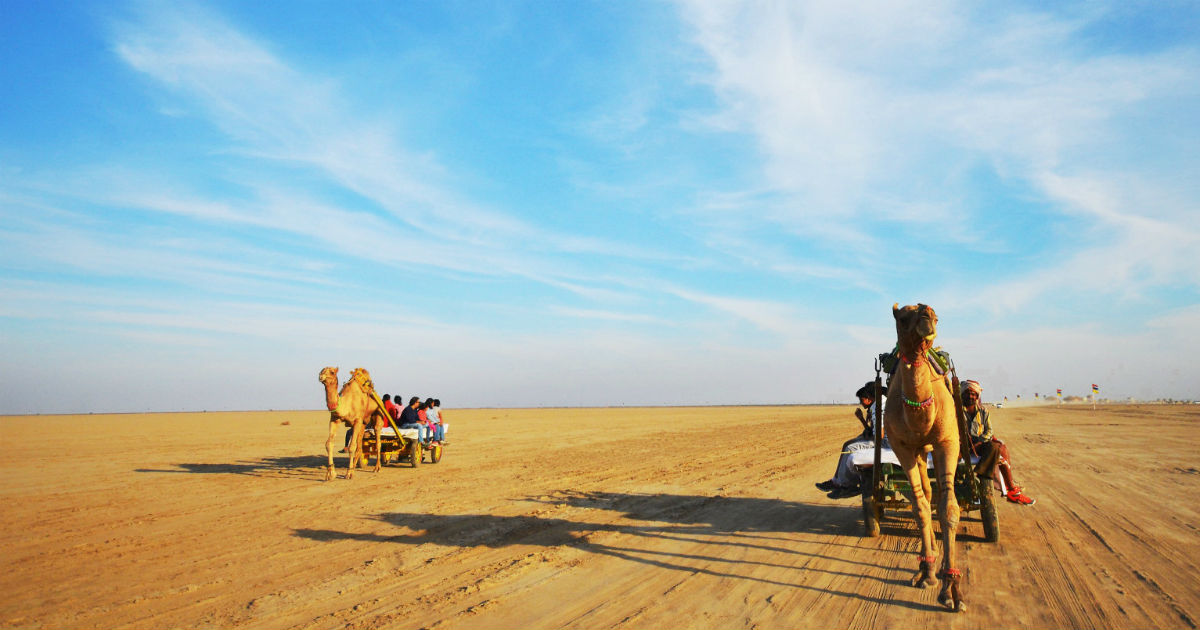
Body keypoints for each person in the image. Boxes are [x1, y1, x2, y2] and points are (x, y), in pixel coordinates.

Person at [962, 379, 1035, 505]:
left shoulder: (984, 412)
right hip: (960, 445)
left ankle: (980, 477)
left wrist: (980, 442)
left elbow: (989, 430)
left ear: (977, 396)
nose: (970, 396)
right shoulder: (955, 410)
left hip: (979, 444)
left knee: (997, 447)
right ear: (962, 394)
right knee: (1000, 452)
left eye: (973, 394)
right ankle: (1011, 489)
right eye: (967, 393)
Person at [816, 381, 885, 499]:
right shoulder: (878, 404)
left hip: (882, 443)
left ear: (869, 397)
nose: (861, 402)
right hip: (879, 439)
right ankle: (836, 481)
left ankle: (845, 484)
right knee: (847, 444)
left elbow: (880, 435)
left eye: (862, 399)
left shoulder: (879, 406)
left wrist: (867, 435)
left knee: (849, 448)